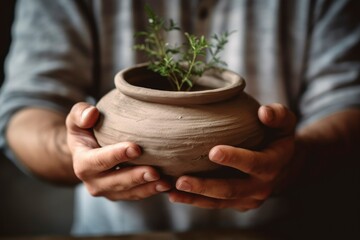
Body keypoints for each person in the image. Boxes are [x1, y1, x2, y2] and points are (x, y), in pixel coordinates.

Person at [0, 0, 359, 237]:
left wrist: (297, 159)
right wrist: (73, 152)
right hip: (115, 233)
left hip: (278, 229)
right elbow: (25, 109)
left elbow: (348, 102)